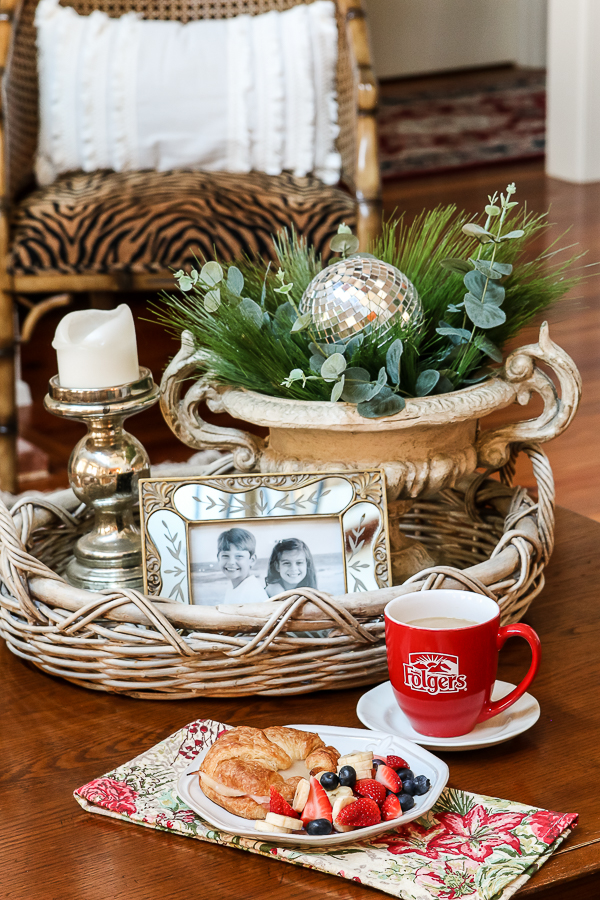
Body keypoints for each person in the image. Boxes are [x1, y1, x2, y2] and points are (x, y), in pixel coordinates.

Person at [217, 528, 268, 604]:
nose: (231, 562)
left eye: (239, 556)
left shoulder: (251, 594)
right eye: (225, 556)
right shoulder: (234, 585)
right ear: (218, 558)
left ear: (252, 560)